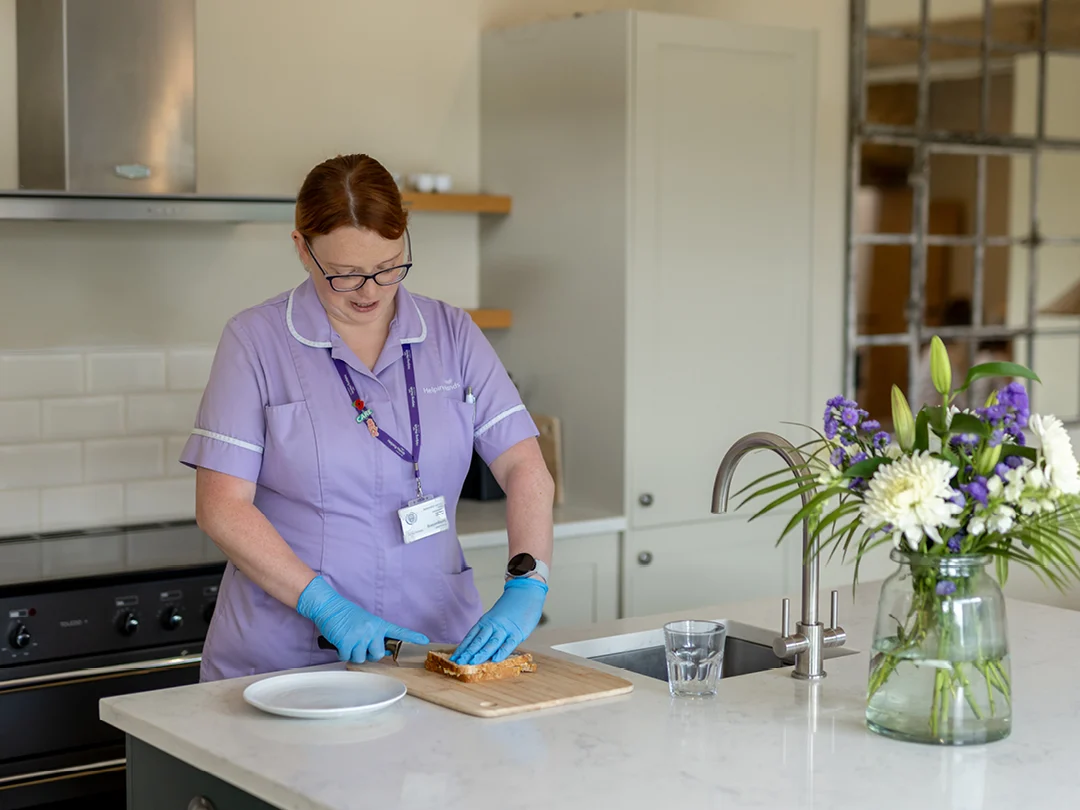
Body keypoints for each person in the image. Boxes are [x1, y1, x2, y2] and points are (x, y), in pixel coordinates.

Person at [181, 154, 555, 681]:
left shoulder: (452, 333)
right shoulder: (255, 341)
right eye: (346, 275)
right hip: (289, 654)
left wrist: (528, 581)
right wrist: (324, 606)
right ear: (302, 250)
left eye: (388, 267)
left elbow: (524, 465)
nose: (372, 291)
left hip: (435, 643)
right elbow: (221, 507)